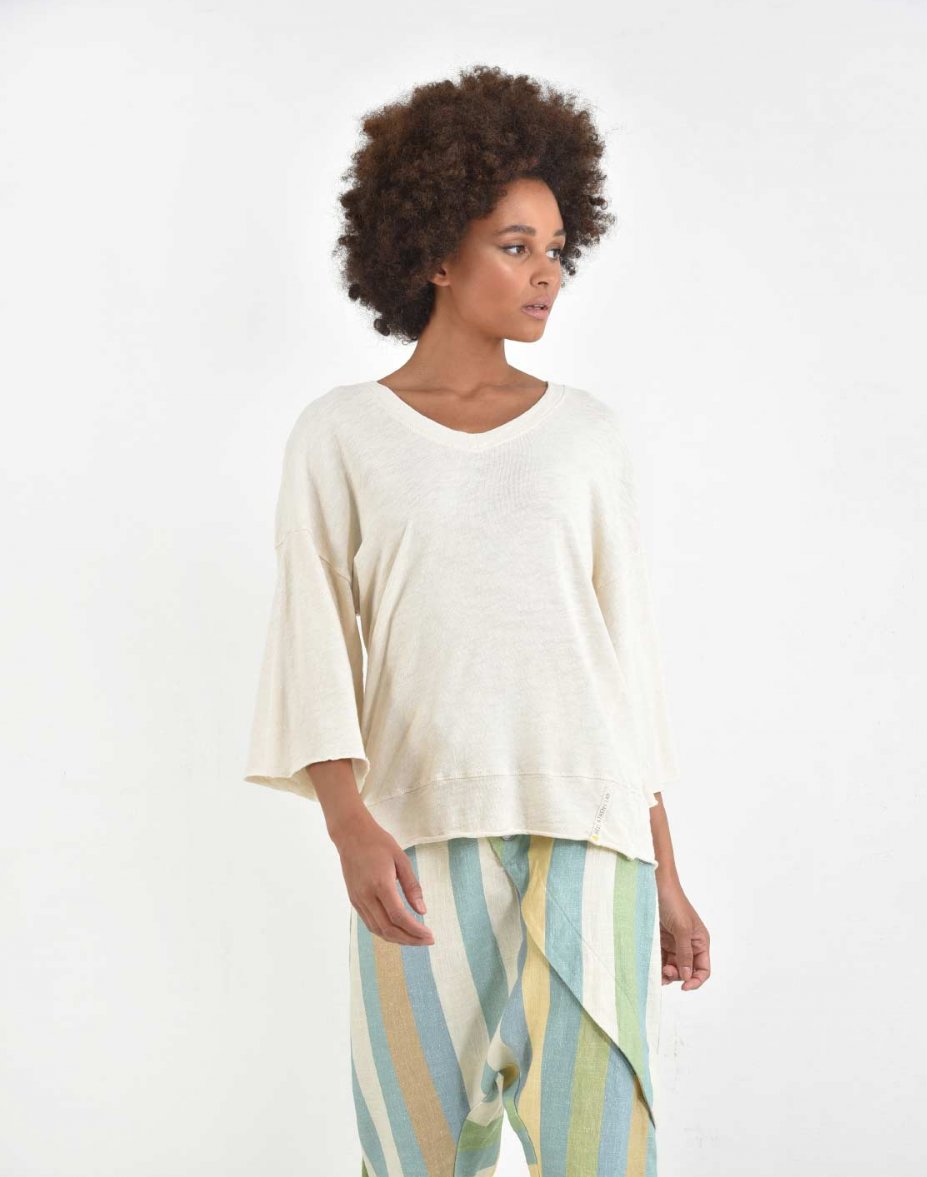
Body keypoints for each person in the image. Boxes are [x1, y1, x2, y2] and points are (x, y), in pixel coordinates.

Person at [243, 63, 710, 1177]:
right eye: (515, 245)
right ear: (435, 255)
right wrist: (347, 824)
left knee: (602, 1153)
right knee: (415, 1154)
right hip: (417, 837)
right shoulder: (342, 433)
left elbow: (625, 663)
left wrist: (666, 869)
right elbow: (314, 637)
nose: (548, 273)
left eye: (557, 249)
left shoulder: (587, 435)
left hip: (593, 837)